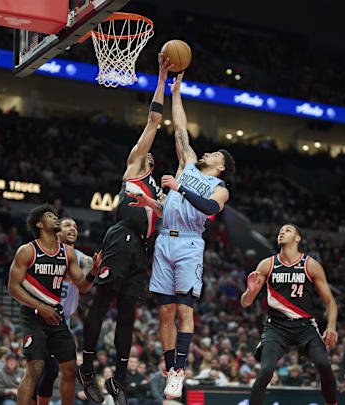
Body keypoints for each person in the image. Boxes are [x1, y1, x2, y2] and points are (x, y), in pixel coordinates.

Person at [79, 52, 172, 405]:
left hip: (143, 250)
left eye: (152, 154)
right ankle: (88, 367)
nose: (152, 154)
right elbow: (153, 121)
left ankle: (118, 380)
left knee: (129, 316)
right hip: (121, 238)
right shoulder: (134, 167)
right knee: (102, 302)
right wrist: (162, 79)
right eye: (149, 152)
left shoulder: (160, 191)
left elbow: (168, 214)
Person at [140, 71, 235, 400]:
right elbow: (180, 129)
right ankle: (170, 369)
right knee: (164, 311)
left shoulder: (220, 187)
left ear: (221, 167)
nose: (209, 154)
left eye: (216, 155)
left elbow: (210, 208)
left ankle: (180, 368)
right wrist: (175, 92)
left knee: (184, 311)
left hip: (190, 243)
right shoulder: (189, 163)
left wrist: (179, 187)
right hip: (165, 238)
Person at [7, 204, 101, 405]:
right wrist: (41, 307)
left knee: (68, 369)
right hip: (33, 316)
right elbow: (13, 288)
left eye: (57, 215)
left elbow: (83, 286)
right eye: (50, 216)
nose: (56, 218)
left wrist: (94, 271)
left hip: (57, 317)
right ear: (40, 224)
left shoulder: (67, 254)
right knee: (36, 368)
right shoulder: (27, 250)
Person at [240, 224, 339, 405]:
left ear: (297, 238)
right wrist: (251, 292)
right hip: (276, 327)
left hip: (305, 326)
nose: (281, 233)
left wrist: (331, 326)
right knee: (266, 371)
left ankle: (332, 403)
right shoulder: (267, 264)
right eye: (280, 231)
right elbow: (245, 303)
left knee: (324, 364)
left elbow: (330, 302)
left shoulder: (310, 265)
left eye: (287, 230)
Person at [31, 218, 93, 405]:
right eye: (67, 226)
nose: (73, 229)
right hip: (42, 316)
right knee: (46, 370)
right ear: (57, 232)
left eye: (75, 226)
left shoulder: (80, 257)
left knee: (58, 371)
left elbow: (88, 266)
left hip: (63, 320)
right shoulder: (46, 252)